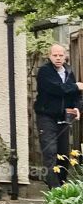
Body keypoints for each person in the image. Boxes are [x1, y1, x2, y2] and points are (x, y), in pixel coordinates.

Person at [34, 44, 81, 188]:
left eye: (61, 55)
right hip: (46, 117)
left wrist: (77, 108)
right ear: (49, 56)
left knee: (63, 155)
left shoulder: (68, 71)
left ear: (65, 55)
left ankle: (61, 188)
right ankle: (54, 190)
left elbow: (76, 95)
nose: (58, 58)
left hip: (63, 118)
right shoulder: (44, 72)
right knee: (50, 153)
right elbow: (56, 89)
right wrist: (76, 86)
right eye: (55, 55)